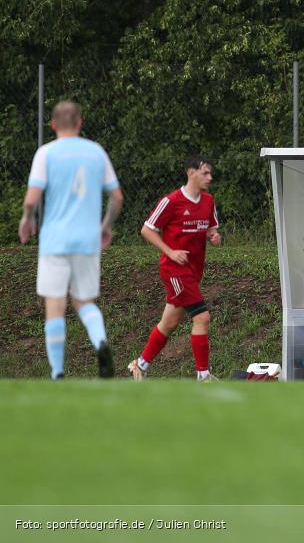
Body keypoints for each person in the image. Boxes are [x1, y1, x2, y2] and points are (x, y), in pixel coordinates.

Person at [19, 101, 123, 379]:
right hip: (87, 241)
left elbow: (32, 197)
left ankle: (57, 372)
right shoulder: (96, 152)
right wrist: (105, 226)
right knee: (85, 302)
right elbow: (116, 197)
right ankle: (100, 342)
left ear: (52, 124)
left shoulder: (46, 153)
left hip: (55, 241)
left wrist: (27, 218)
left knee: (55, 304)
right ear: (80, 123)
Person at [127, 156, 221, 381]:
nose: (210, 177)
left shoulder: (208, 201)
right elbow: (147, 230)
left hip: (193, 270)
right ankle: (203, 376)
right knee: (202, 317)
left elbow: (211, 227)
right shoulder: (171, 201)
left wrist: (214, 236)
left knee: (169, 322)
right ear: (191, 173)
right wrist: (170, 252)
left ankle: (140, 364)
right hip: (174, 270)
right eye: (205, 173)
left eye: (210, 173)